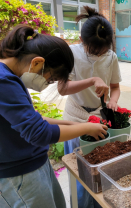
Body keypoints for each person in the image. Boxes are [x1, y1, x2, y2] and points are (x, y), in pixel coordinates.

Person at [0, 25, 108, 208]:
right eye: (50, 79)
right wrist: (88, 127)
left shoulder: (11, 78)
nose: (48, 84)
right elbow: (38, 133)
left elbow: (34, 119)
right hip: (18, 173)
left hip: (34, 163)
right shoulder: (4, 82)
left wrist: (72, 123)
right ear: (36, 63)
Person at [58, 6, 122, 208]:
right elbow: (62, 88)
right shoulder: (70, 53)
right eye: (93, 50)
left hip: (98, 117)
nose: (98, 54)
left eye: (102, 50)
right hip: (74, 117)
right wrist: (93, 79)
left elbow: (115, 87)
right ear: (81, 40)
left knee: (98, 169)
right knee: (79, 172)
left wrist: (114, 101)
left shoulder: (111, 57)